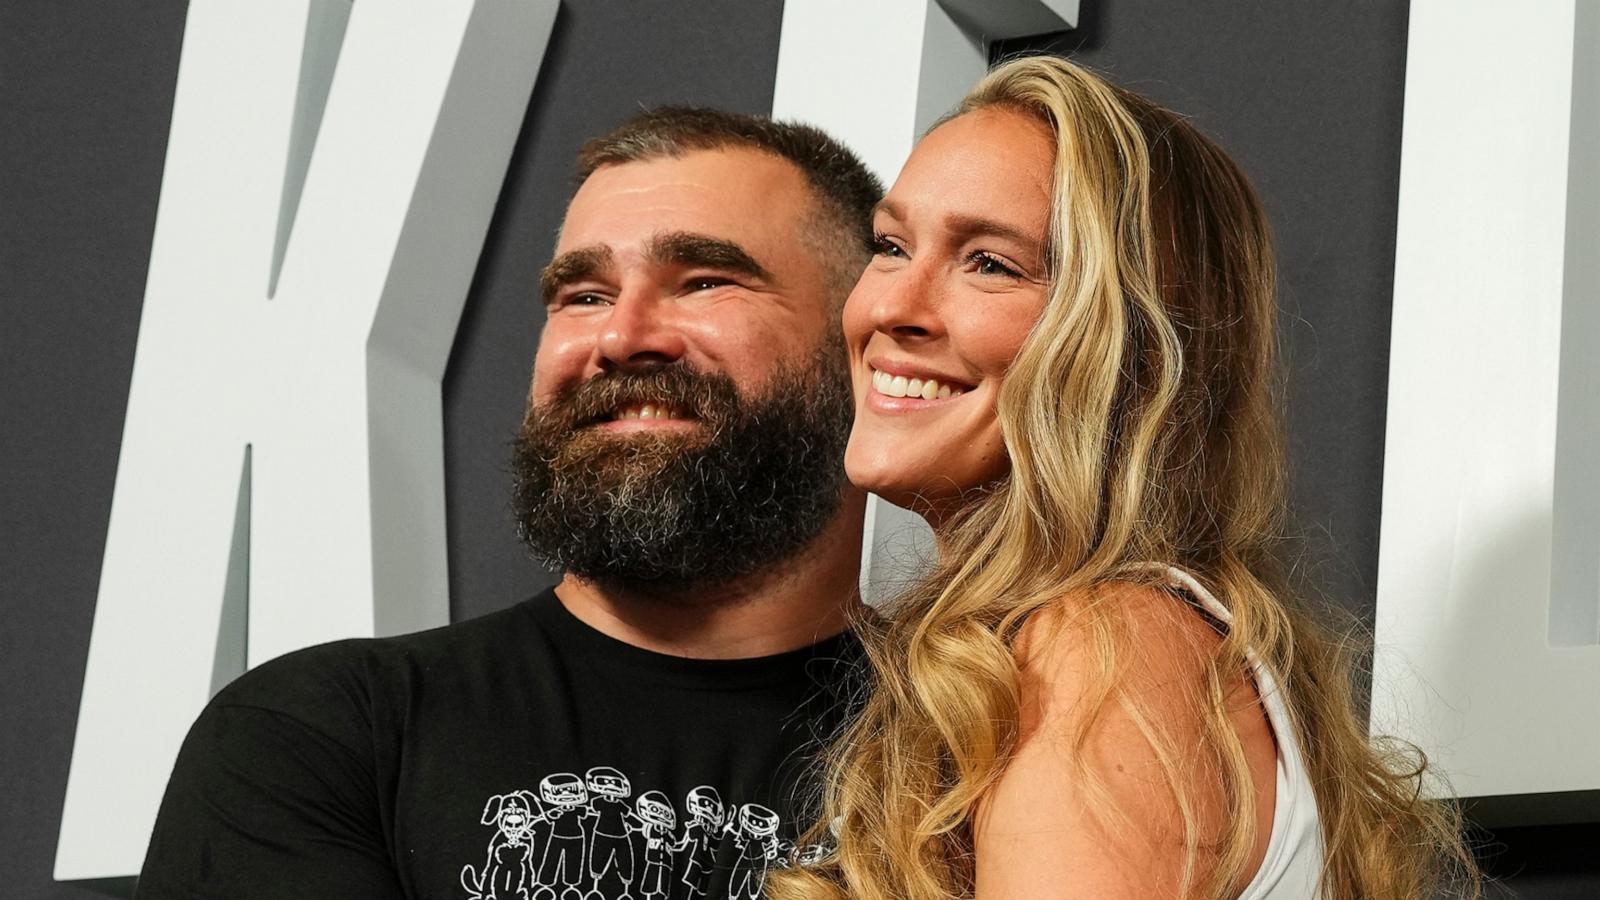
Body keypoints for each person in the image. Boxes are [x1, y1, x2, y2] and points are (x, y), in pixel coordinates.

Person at [770, 56, 1478, 900]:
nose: (891, 306)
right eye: (891, 246)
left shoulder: (1102, 648)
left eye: (990, 263)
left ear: (1133, 343)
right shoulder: (1098, 640)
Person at [135, 107, 881, 900]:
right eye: (585, 295)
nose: (622, 337)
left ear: (868, 340)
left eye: (703, 281)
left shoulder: (981, 748)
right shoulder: (322, 736)